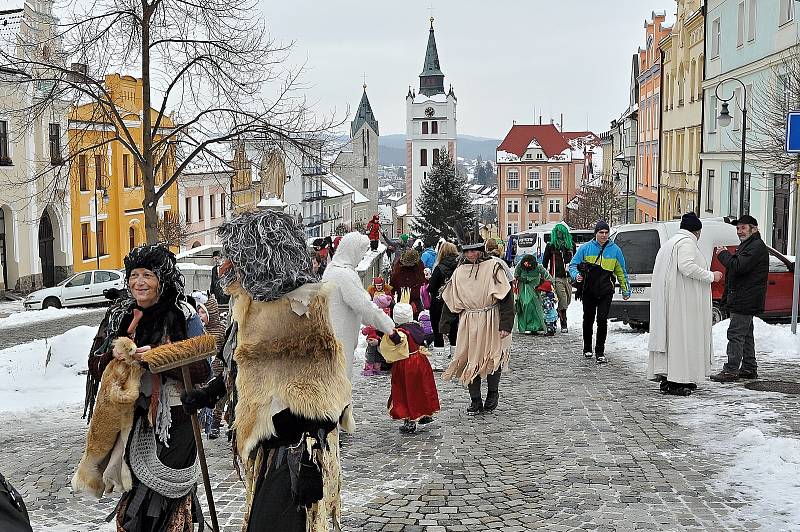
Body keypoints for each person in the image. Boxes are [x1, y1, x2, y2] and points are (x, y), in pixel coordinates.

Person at [181, 209, 355, 532]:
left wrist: (297, 423)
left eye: (233, 258)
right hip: (267, 447)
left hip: (298, 451)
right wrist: (210, 394)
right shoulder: (248, 306)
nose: (224, 268)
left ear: (260, 258)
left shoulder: (303, 307)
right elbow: (245, 370)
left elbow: (331, 386)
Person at [86, 244, 209, 532]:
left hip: (176, 421)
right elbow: (94, 364)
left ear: (162, 279)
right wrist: (114, 357)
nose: (138, 282)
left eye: (147, 275)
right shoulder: (119, 316)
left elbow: (202, 369)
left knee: (166, 496)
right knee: (136, 500)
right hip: (132, 421)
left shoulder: (184, 314)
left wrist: (157, 357)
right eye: (134, 275)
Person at [648, 213, 723, 395]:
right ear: (697, 231)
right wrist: (711, 276)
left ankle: (674, 379)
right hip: (681, 304)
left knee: (673, 340)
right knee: (681, 340)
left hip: (672, 302)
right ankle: (676, 381)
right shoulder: (686, 243)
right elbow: (687, 266)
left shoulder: (670, 243)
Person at [440, 238, 514, 415]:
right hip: (469, 320)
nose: (470, 254)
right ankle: (475, 400)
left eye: (474, 250)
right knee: (469, 358)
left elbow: (506, 297)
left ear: (481, 250)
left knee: (491, 356)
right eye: (467, 251)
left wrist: (506, 324)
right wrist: (445, 325)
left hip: (491, 318)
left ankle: (492, 393)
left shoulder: (494, 267)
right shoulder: (459, 272)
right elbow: (451, 299)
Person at [323, 232, 397, 381]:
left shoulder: (332, 269)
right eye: (361, 253)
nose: (361, 258)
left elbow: (358, 308)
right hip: (340, 339)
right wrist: (389, 327)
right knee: (340, 384)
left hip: (331, 336)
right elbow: (363, 306)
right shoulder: (344, 275)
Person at [710, 214, 769, 383]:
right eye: (737, 228)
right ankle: (749, 368)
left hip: (745, 298)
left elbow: (738, 266)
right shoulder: (749, 245)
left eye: (743, 228)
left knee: (735, 334)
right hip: (744, 297)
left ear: (754, 229)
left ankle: (730, 370)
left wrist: (722, 254)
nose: (739, 231)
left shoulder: (755, 247)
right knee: (746, 334)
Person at [569, 221, 631, 364]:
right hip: (589, 290)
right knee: (588, 319)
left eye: (606, 232)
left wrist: (625, 289)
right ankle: (587, 348)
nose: (604, 235)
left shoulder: (615, 250)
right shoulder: (585, 248)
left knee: (602, 320)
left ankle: (600, 351)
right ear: (595, 233)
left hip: (605, 291)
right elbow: (573, 265)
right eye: (600, 232)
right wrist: (576, 275)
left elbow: (621, 271)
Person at [382, 290, 440, 433]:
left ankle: (410, 419)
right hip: (420, 361)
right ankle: (425, 413)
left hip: (406, 364)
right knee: (422, 388)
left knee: (406, 391)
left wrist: (388, 330)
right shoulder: (417, 327)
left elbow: (398, 340)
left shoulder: (401, 332)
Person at [427, 242, 459, 355]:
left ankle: (439, 361)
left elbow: (431, 288)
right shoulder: (460, 268)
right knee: (454, 330)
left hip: (438, 303)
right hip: (455, 303)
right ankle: (456, 359)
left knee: (437, 331)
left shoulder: (439, 268)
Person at [542, 223, 576, 332]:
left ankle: (557, 314)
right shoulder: (551, 245)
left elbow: (575, 261)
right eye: (557, 232)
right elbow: (544, 262)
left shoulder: (571, 245)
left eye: (561, 232)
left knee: (568, 300)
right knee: (563, 299)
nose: (559, 234)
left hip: (569, 277)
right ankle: (563, 323)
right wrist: (545, 277)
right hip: (556, 277)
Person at [514, 254, 553, 334]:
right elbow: (516, 275)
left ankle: (536, 327)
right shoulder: (519, 265)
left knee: (535, 307)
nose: (526, 265)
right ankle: (526, 326)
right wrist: (523, 279)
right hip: (523, 288)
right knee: (525, 305)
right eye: (525, 263)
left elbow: (548, 277)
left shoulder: (539, 267)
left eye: (528, 263)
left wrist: (542, 284)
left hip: (535, 289)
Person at [390, 249, 427, 317]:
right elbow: (394, 279)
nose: (409, 266)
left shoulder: (418, 265)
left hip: (415, 297)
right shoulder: (399, 266)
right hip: (402, 295)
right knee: (402, 316)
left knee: (415, 316)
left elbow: (422, 279)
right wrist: (391, 292)